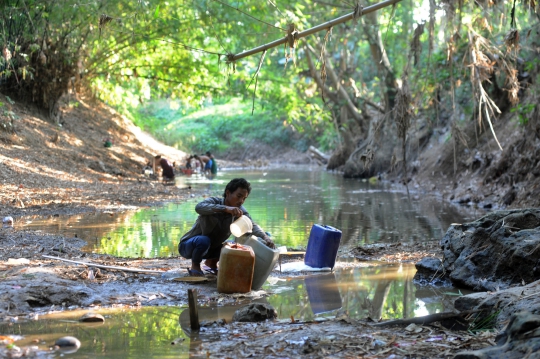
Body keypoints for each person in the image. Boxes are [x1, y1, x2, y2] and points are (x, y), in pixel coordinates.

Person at [179, 178, 275, 276]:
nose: (241, 201)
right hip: (188, 246)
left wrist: (265, 237)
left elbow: (252, 225)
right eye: (239, 196)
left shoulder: (240, 211)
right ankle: (195, 265)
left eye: (244, 198)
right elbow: (199, 207)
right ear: (228, 193)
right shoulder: (214, 201)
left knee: (233, 246)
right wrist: (225, 209)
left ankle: (211, 263)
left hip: (210, 249)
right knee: (204, 240)